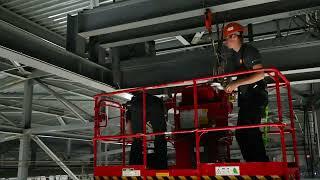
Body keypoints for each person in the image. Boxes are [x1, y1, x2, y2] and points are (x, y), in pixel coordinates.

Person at [223, 22, 269, 162]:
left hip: (255, 95)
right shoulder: (233, 57)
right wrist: (225, 80)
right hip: (246, 97)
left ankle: (261, 164)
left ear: (235, 36)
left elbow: (260, 74)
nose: (226, 41)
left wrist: (236, 83)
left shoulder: (249, 51)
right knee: (241, 133)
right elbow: (227, 75)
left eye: (227, 38)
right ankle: (252, 164)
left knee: (249, 130)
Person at [126, 93, 168, 169]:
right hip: (150, 105)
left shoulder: (136, 104)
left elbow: (129, 123)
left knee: (139, 139)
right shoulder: (154, 103)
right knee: (159, 138)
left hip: (143, 105)